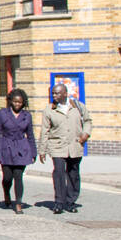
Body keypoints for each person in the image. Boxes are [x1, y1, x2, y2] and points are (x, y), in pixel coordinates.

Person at [38, 82, 92, 215]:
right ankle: (59, 202)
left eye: (57, 93)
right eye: (53, 93)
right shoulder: (49, 109)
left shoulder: (78, 106)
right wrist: (42, 150)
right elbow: (45, 130)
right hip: (57, 145)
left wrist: (85, 134)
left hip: (75, 144)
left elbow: (87, 121)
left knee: (73, 174)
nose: (54, 96)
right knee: (59, 173)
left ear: (65, 94)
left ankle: (70, 201)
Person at [0, 88, 35, 214]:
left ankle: (18, 203)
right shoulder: (2, 114)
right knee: (7, 177)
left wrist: (33, 153)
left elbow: (30, 135)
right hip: (6, 147)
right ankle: (6, 194)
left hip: (22, 148)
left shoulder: (27, 116)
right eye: (15, 102)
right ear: (10, 101)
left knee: (18, 176)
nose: (17, 104)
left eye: (20, 102)